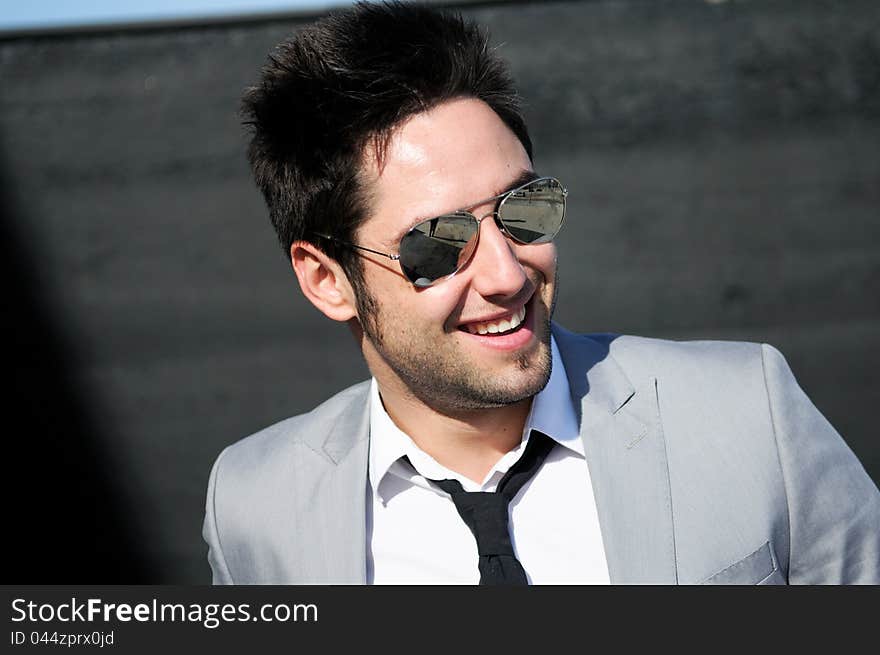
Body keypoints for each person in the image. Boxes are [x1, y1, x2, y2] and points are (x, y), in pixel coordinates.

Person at [202, 1, 880, 585]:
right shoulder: (255, 507)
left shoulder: (747, 414)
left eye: (524, 208)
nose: (508, 274)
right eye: (438, 243)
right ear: (327, 280)